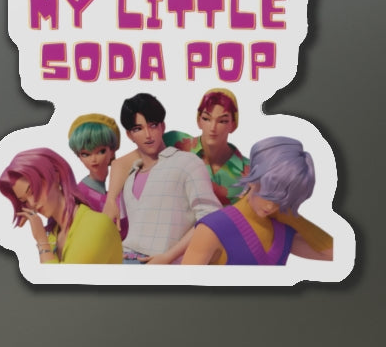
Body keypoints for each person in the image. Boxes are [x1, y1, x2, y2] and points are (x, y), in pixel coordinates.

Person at [104, 92, 219, 263]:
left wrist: (168, 256)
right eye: (138, 129)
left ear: (162, 127)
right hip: (123, 259)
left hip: (161, 264)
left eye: (153, 125)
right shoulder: (130, 175)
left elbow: (211, 217)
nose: (148, 135)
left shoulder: (186, 162)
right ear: (129, 135)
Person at [181, 136, 334, 265]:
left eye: (280, 199)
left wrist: (293, 217)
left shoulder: (282, 229)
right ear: (253, 178)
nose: (271, 205)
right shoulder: (213, 228)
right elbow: (184, 285)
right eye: (267, 194)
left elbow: (333, 254)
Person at [0, 148, 122, 264]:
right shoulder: (53, 235)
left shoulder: (97, 225)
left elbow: (62, 279)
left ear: (55, 176)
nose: (32, 203)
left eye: (33, 191)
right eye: (24, 200)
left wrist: (42, 241)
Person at [163, 88, 249, 206]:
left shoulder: (251, 171)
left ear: (233, 125)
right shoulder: (174, 142)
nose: (213, 128)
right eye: (206, 119)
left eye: (222, 121)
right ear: (199, 121)